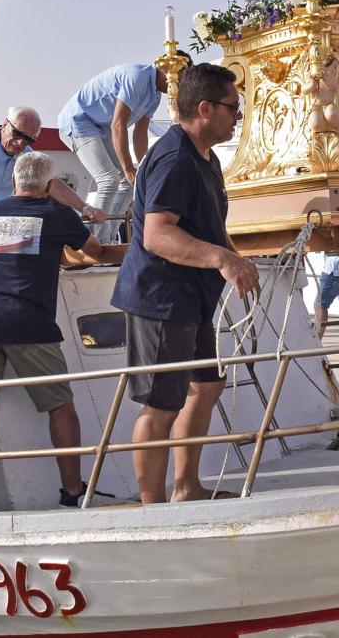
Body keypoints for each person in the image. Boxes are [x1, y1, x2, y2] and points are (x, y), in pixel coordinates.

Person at [111, 63, 259, 504]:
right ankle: (152, 507)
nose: (239, 116)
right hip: (161, 299)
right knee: (160, 405)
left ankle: (186, 486)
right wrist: (222, 260)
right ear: (205, 108)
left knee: (207, 385)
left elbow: (207, 223)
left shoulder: (204, 157)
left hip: (189, 299)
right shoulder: (175, 159)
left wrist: (232, 254)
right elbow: (158, 234)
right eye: (234, 108)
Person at [0, 152, 115, 512]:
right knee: (60, 406)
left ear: (13, 182)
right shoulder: (57, 214)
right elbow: (95, 250)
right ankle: (72, 492)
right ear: (48, 186)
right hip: (28, 321)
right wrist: (83, 215)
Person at [0, 106, 102, 264]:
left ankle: (41, 255)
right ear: (5, 124)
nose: (20, 143)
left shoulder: (25, 153)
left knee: (39, 192)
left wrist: (84, 207)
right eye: (17, 133)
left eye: (28, 139)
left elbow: (52, 184)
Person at [58, 62, 179, 244]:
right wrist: (129, 168)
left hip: (102, 129)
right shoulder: (137, 77)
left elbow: (140, 133)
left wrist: (142, 168)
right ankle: (93, 243)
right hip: (79, 123)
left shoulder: (155, 96)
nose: (178, 85)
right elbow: (118, 124)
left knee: (129, 182)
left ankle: (108, 239)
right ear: (165, 69)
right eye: (178, 78)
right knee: (109, 179)